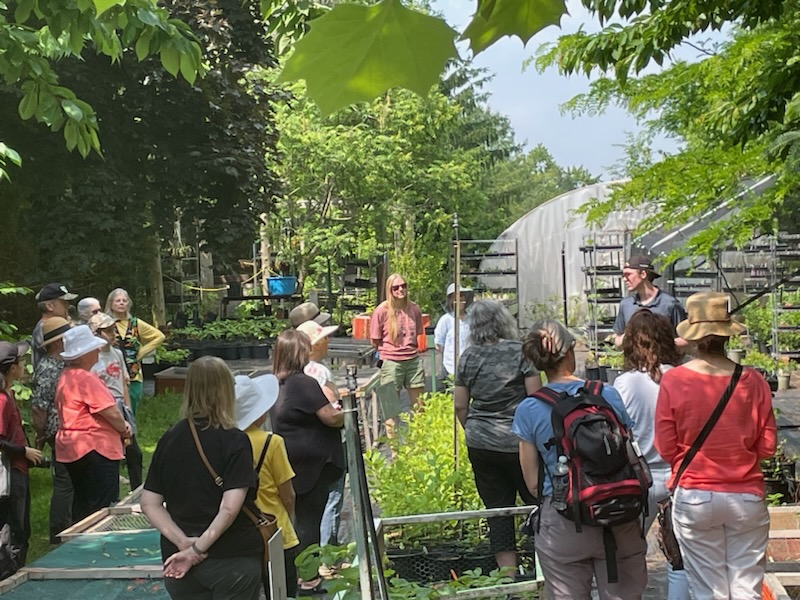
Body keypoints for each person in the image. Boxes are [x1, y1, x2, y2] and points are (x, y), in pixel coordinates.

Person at [655, 291, 776, 600]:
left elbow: (665, 446)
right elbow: (767, 447)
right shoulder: (754, 381)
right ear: (727, 334)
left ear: (693, 337)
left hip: (696, 496)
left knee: (708, 590)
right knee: (746, 588)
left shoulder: (674, 381)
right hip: (746, 497)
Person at [512, 320, 646, 599]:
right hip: (618, 514)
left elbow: (532, 483)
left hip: (564, 520)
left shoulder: (529, 409)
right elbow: (630, 452)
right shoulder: (606, 394)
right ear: (570, 353)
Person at [141, 357, 263, 600]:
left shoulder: (170, 438)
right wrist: (197, 548)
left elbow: (149, 503)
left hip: (178, 561)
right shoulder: (235, 440)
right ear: (227, 390)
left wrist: (184, 544)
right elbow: (229, 508)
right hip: (231, 559)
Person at [453, 300, 542, 573]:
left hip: (482, 443)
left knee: (497, 510)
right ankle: (542, 569)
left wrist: (474, 429)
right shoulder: (521, 352)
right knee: (536, 503)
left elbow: (459, 404)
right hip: (520, 443)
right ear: (504, 321)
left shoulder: (468, 356)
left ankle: (509, 576)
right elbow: (536, 397)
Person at [613, 309, 689, 600]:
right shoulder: (683, 378)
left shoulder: (624, 383)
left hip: (639, 477)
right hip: (679, 478)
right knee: (679, 556)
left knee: (631, 554)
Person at [271, 329, 344, 595]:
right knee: (309, 522)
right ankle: (309, 579)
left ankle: (292, 577)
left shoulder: (274, 383)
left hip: (287, 459)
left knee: (292, 522)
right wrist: (343, 411)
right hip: (312, 465)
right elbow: (330, 417)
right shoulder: (303, 383)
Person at [55, 325, 131, 521]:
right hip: (95, 447)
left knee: (82, 502)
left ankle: (78, 543)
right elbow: (111, 413)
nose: (97, 350)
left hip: (72, 448)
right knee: (102, 508)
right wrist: (124, 429)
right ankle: (99, 546)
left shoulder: (66, 376)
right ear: (83, 355)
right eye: (93, 347)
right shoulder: (86, 378)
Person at [234, 374, 299, 599]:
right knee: (283, 593)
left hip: (240, 532)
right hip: (276, 530)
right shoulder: (272, 442)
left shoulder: (227, 443)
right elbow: (287, 494)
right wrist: (288, 515)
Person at [297, 319, 346, 548]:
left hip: (304, 447)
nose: (328, 342)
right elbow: (330, 408)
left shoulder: (297, 371)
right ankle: (330, 553)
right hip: (327, 446)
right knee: (332, 497)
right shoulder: (321, 372)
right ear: (314, 345)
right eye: (324, 338)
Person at [0, 341, 43, 577]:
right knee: (14, 530)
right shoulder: (1, 400)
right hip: (10, 472)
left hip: (19, 468)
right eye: (20, 361)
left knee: (21, 529)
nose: (24, 364)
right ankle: (10, 578)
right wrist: (23, 452)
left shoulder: (9, 394)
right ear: (10, 368)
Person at [29, 317, 74, 544]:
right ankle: (58, 534)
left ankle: (72, 525)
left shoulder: (66, 363)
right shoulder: (48, 367)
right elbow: (39, 406)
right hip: (58, 432)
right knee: (64, 482)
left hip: (72, 430)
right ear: (58, 342)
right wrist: (40, 434)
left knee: (72, 481)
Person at [89, 312, 143, 492]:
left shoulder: (117, 353)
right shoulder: (92, 358)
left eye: (113, 330)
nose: (113, 334)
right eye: (108, 331)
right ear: (96, 333)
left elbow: (123, 383)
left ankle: (137, 491)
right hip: (105, 407)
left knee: (134, 452)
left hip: (120, 405)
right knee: (112, 452)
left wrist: (127, 408)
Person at [104, 288, 165, 415]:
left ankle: (132, 432)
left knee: (131, 409)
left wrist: (141, 353)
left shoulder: (135, 323)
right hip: (111, 372)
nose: (121, 303)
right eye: (118, 301)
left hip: (133, 373)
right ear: (111, 304)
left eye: (124, 301)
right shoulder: (105, 324)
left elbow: (159, 336)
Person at [369, 273, 426, 410]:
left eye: (403, 286)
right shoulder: (381, 311)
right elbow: (374, 340)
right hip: (391, 361)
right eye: (396, 287)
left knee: (421, 407)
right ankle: (391, 432)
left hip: (413, 360)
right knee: (390, 409)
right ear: (390, 290)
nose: (401, 290)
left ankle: (419, 431)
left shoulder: (414, 309)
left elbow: (418, 334)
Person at [613, 255, 686, 348]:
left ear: (643, 274)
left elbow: (686, 340)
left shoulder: (670, 304)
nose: (624, 279)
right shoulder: (626, 305)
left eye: (628, 274)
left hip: (664, 361)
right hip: (634, 362)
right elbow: (617, 339)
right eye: (623, 275)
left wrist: (658, 343)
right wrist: (628, 338)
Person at [32, 283, 77, 369]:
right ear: (49, 306)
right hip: (51, 378)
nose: (68, 306)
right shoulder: (44, 327)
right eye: (64, 303)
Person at [434, 283, 472, 380]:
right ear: (451, 301)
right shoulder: (445, 320)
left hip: (470, 367)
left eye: (462, 297)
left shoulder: (472, 319)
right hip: (451, 368)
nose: (460, 300)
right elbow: (439, 343)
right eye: (456, 298)